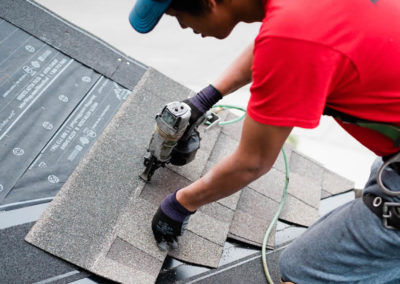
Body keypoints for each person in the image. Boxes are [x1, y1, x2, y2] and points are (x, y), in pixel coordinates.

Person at [129, 0, 400, 282]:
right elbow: (277, 41)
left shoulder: (292, 38)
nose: (185, 27)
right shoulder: (292, 16)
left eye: (177, 16)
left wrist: (179, 204)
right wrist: (206, 98)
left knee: (301, 270)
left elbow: (252, 162)